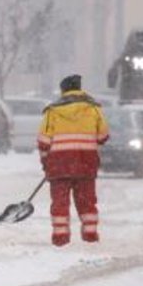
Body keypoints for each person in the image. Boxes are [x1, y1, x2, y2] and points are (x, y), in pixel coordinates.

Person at [37, 75, 110, 246]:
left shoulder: (52, 111)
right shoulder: (93, 109)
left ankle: (60, 237)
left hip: (59, 164)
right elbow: (103, 136)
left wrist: (45, 164)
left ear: (63, 90)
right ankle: (90, 234)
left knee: (60, 202)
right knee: (87, 200)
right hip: (86, 163)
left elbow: (43, 142)